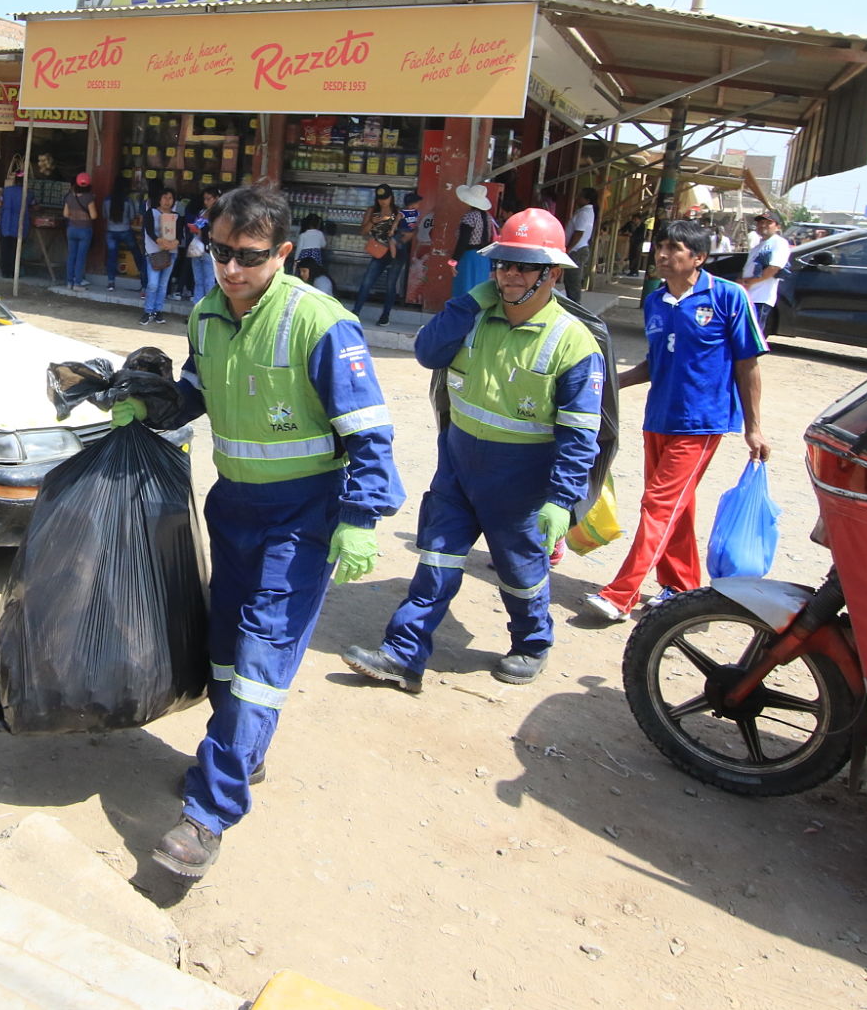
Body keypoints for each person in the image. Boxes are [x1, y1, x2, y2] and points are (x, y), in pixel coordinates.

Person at [122, 185, 402, 878]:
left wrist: (362, 517)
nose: (229, 269)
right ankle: (242, 747)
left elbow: (370, 433)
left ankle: (208, 813)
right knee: (223, 648)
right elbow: (199, 389)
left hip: (303, 519)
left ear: (282, 252)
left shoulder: (322, 324)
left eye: (247, 257)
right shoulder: (209, 313)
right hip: (235, 508)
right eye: (219, 251)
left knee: (259, 654)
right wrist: (150, 405)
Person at [340, 209, 603, 688]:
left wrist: (562, 499)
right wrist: (468, 302)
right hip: (459, 466)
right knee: (436, 561)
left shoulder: (573, 342)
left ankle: (531, 643)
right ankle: (402, 654)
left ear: (553, 274)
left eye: (523, 267)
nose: (509, 275)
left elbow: (580, 431)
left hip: (523, 480)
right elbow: (426, 353)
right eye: (503, 264)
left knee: (520, 573)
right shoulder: (474, 317)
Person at [581, 221, 770, 623]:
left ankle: (621, 594)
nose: (663, 254)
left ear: (698, 258)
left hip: (701, 423)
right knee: (675, 507)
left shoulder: (728, 298)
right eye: (661, 246)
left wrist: (753, 426)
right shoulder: (655, 300)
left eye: (674, 248)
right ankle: (682, 587)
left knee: (658, 505)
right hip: (659, 419)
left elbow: (747, 363)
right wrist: (607, 386)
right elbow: (655, 363)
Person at [350, 184, 404, 326]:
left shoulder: (398, 211)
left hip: (395, 253)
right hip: (379, 251)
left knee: (390, 285)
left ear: (391, 197)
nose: (383, 202)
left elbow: (406, 232)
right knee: (367, 282)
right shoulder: (372, 211)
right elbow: (362, 231)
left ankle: (385, 316)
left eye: (385, 198)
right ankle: (355, 311)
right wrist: (373, 221)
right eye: (380, 199)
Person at [738, 209, 792, 333]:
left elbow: (774, 268)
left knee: (752, 335)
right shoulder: (758, 246)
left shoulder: (779, 243)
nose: (763, 225)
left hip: (761, 297)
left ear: (777, 227)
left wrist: (749, 282)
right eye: (760, 222)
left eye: (768, 223)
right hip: (748, 296)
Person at [141, 187, 180, 324]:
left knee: (163, 285)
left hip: (171, 254)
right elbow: (149, 230)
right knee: (152, 284)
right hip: (154, 253)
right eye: (164, 197)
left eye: (170, 198)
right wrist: (160, 241)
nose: (167, 201)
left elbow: (180, 234)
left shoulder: (176, 215)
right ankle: (148, 311)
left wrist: (175, 242)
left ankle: (158, 311)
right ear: (159, 198)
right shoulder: (150, 213)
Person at [451, 184, 497, 295]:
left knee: (464, 288)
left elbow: (463, 241)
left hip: (469, 258)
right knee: (479, 291)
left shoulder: (469, 217)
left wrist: (453, 260)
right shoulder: (488, 217)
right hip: (484, 258)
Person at [104, 181, 147, 293]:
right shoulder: (128, 200)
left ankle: (111, 283)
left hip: (111, 232)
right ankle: (144, 282)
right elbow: (132, 216)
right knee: (136, 253)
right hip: (125, 231)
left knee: (112, 256)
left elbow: (104, 215)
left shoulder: (107, 200)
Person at [563, 187, 598, 303]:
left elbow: (579, 233)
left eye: (580, 196)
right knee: (570, 281)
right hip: (577, 249)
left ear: (587, 200)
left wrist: (568, 249)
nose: (577, 198)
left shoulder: (584, 213)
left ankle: (574, 307)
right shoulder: (585, 211)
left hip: (576, 250)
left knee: (573, 282)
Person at [63, 172, 95, 292]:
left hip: (71, 229)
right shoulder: (89, 198)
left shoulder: (69, 197)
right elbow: (94, 215)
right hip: (84, 230)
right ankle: (77, 283)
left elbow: (65, 214)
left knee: (71, 256)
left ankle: (69, 282)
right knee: (80, 257)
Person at [186, 188, 219, 305]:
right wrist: (195, 229)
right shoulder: (202, 212)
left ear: (216, 199)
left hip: (209, 250)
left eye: (209, 199)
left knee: (209, 282)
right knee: (198, 281)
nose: (206, 202)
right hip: (197, 248)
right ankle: (196, 310)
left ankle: (208, 311)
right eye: (204, 199)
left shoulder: (219, 215)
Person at [0, 162, 28, 280]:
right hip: (19, 224)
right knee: (16, 250)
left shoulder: (7, 190)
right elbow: (36, 206)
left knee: (5, 249)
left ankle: (5, 272)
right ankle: (14, 272)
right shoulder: (27, 193)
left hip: (6, 223)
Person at [293, 213, 328, 280]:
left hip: (304, 256)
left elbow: (299, 249)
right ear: (318, 224)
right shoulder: (320, 234)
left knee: (303, 275)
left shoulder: (303, 235)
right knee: (315, 274)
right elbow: (323, 245)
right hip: (316, 255)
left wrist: (295, 262)